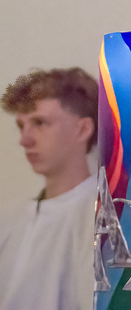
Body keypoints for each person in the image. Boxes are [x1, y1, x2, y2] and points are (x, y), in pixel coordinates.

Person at [0, 67, 99, 310]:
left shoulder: (105, 216)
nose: (24, 140)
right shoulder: (10, 219)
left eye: (39, 123)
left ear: (83, 130)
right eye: (21, 126)